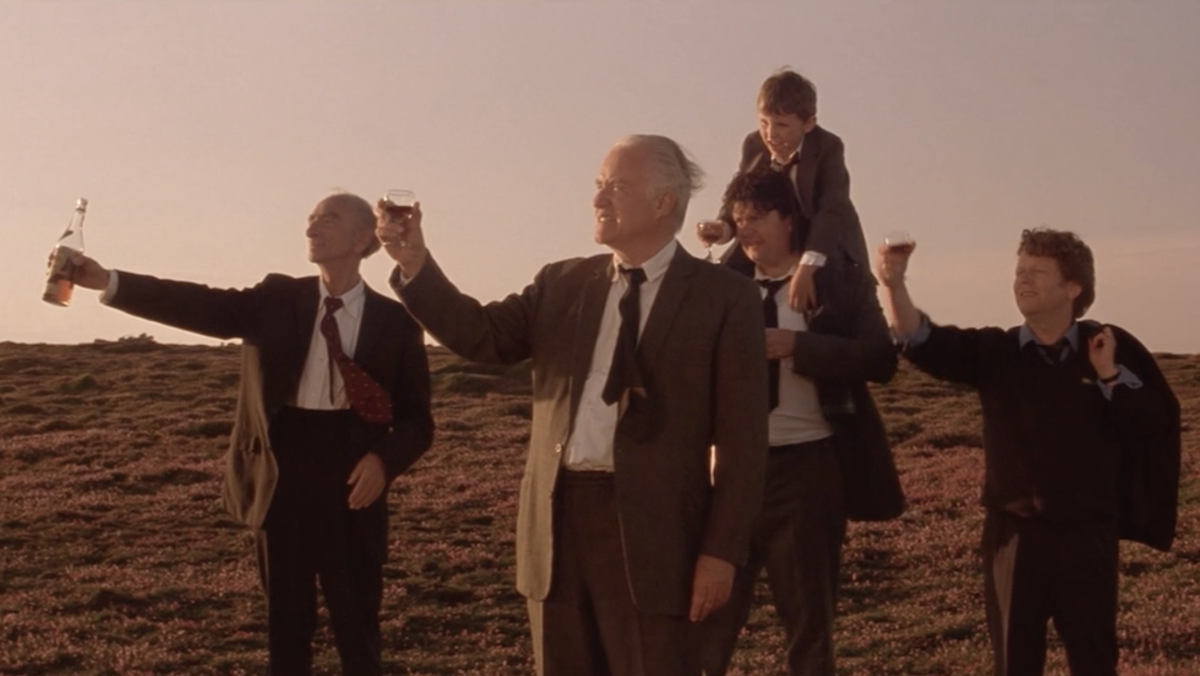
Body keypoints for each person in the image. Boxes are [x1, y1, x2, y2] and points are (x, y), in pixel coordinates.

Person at [376, 135, 770, 676]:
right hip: (556, 531)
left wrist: (721, 552)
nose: (599, 199)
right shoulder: (562, 283)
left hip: (659, 544)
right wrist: (416, 263)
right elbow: (483, 336)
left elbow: (744, 439)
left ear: (664, 204)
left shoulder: (727, 298)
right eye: (598, 185)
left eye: (617, 186)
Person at [71, 191, 435, 676]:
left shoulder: (395, 322)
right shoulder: (278, 298)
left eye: (328, 218)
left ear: (362, 237)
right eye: (309, 217)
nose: (311, 227)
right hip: (280, 473)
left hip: (352, 478)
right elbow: (198, 304)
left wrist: (384, 461)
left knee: (357, 626)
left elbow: (417, 420)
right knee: (286, 624)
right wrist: (108, 281)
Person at [878, 228, 1181, 676]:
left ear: (1073, 288)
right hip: (1013, 535)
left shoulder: (1110, 349)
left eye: (1038, 272)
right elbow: (923, 340)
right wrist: (893, 284)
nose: (1023, 280)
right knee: (1014, 662)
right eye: (1020, 270)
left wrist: (1110, 376)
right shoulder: (996, 351)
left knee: (1095, 661)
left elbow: (1153, 428)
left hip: (1088, 534)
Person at [695, 169, 904, 676]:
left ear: (789, 220)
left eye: (757, 218)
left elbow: (880, 358)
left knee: (809, 621)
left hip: (809, 470)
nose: (746, 230)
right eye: (739, 220)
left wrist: (798, 347)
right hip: (727, 476)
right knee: (706, 621)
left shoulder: (838, 280)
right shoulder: (717, 288)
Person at [702, 68, 869, 314]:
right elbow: (741, 192)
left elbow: (831, 210)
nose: (770, 134)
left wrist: (807, 268)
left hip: (822, 239)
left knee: (837, 297)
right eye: (763, 123)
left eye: (782, 125)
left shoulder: (828, 148)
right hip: (770, 234)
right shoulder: (754, 144)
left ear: (809, 123)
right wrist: (724, 226)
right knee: (718, 281)